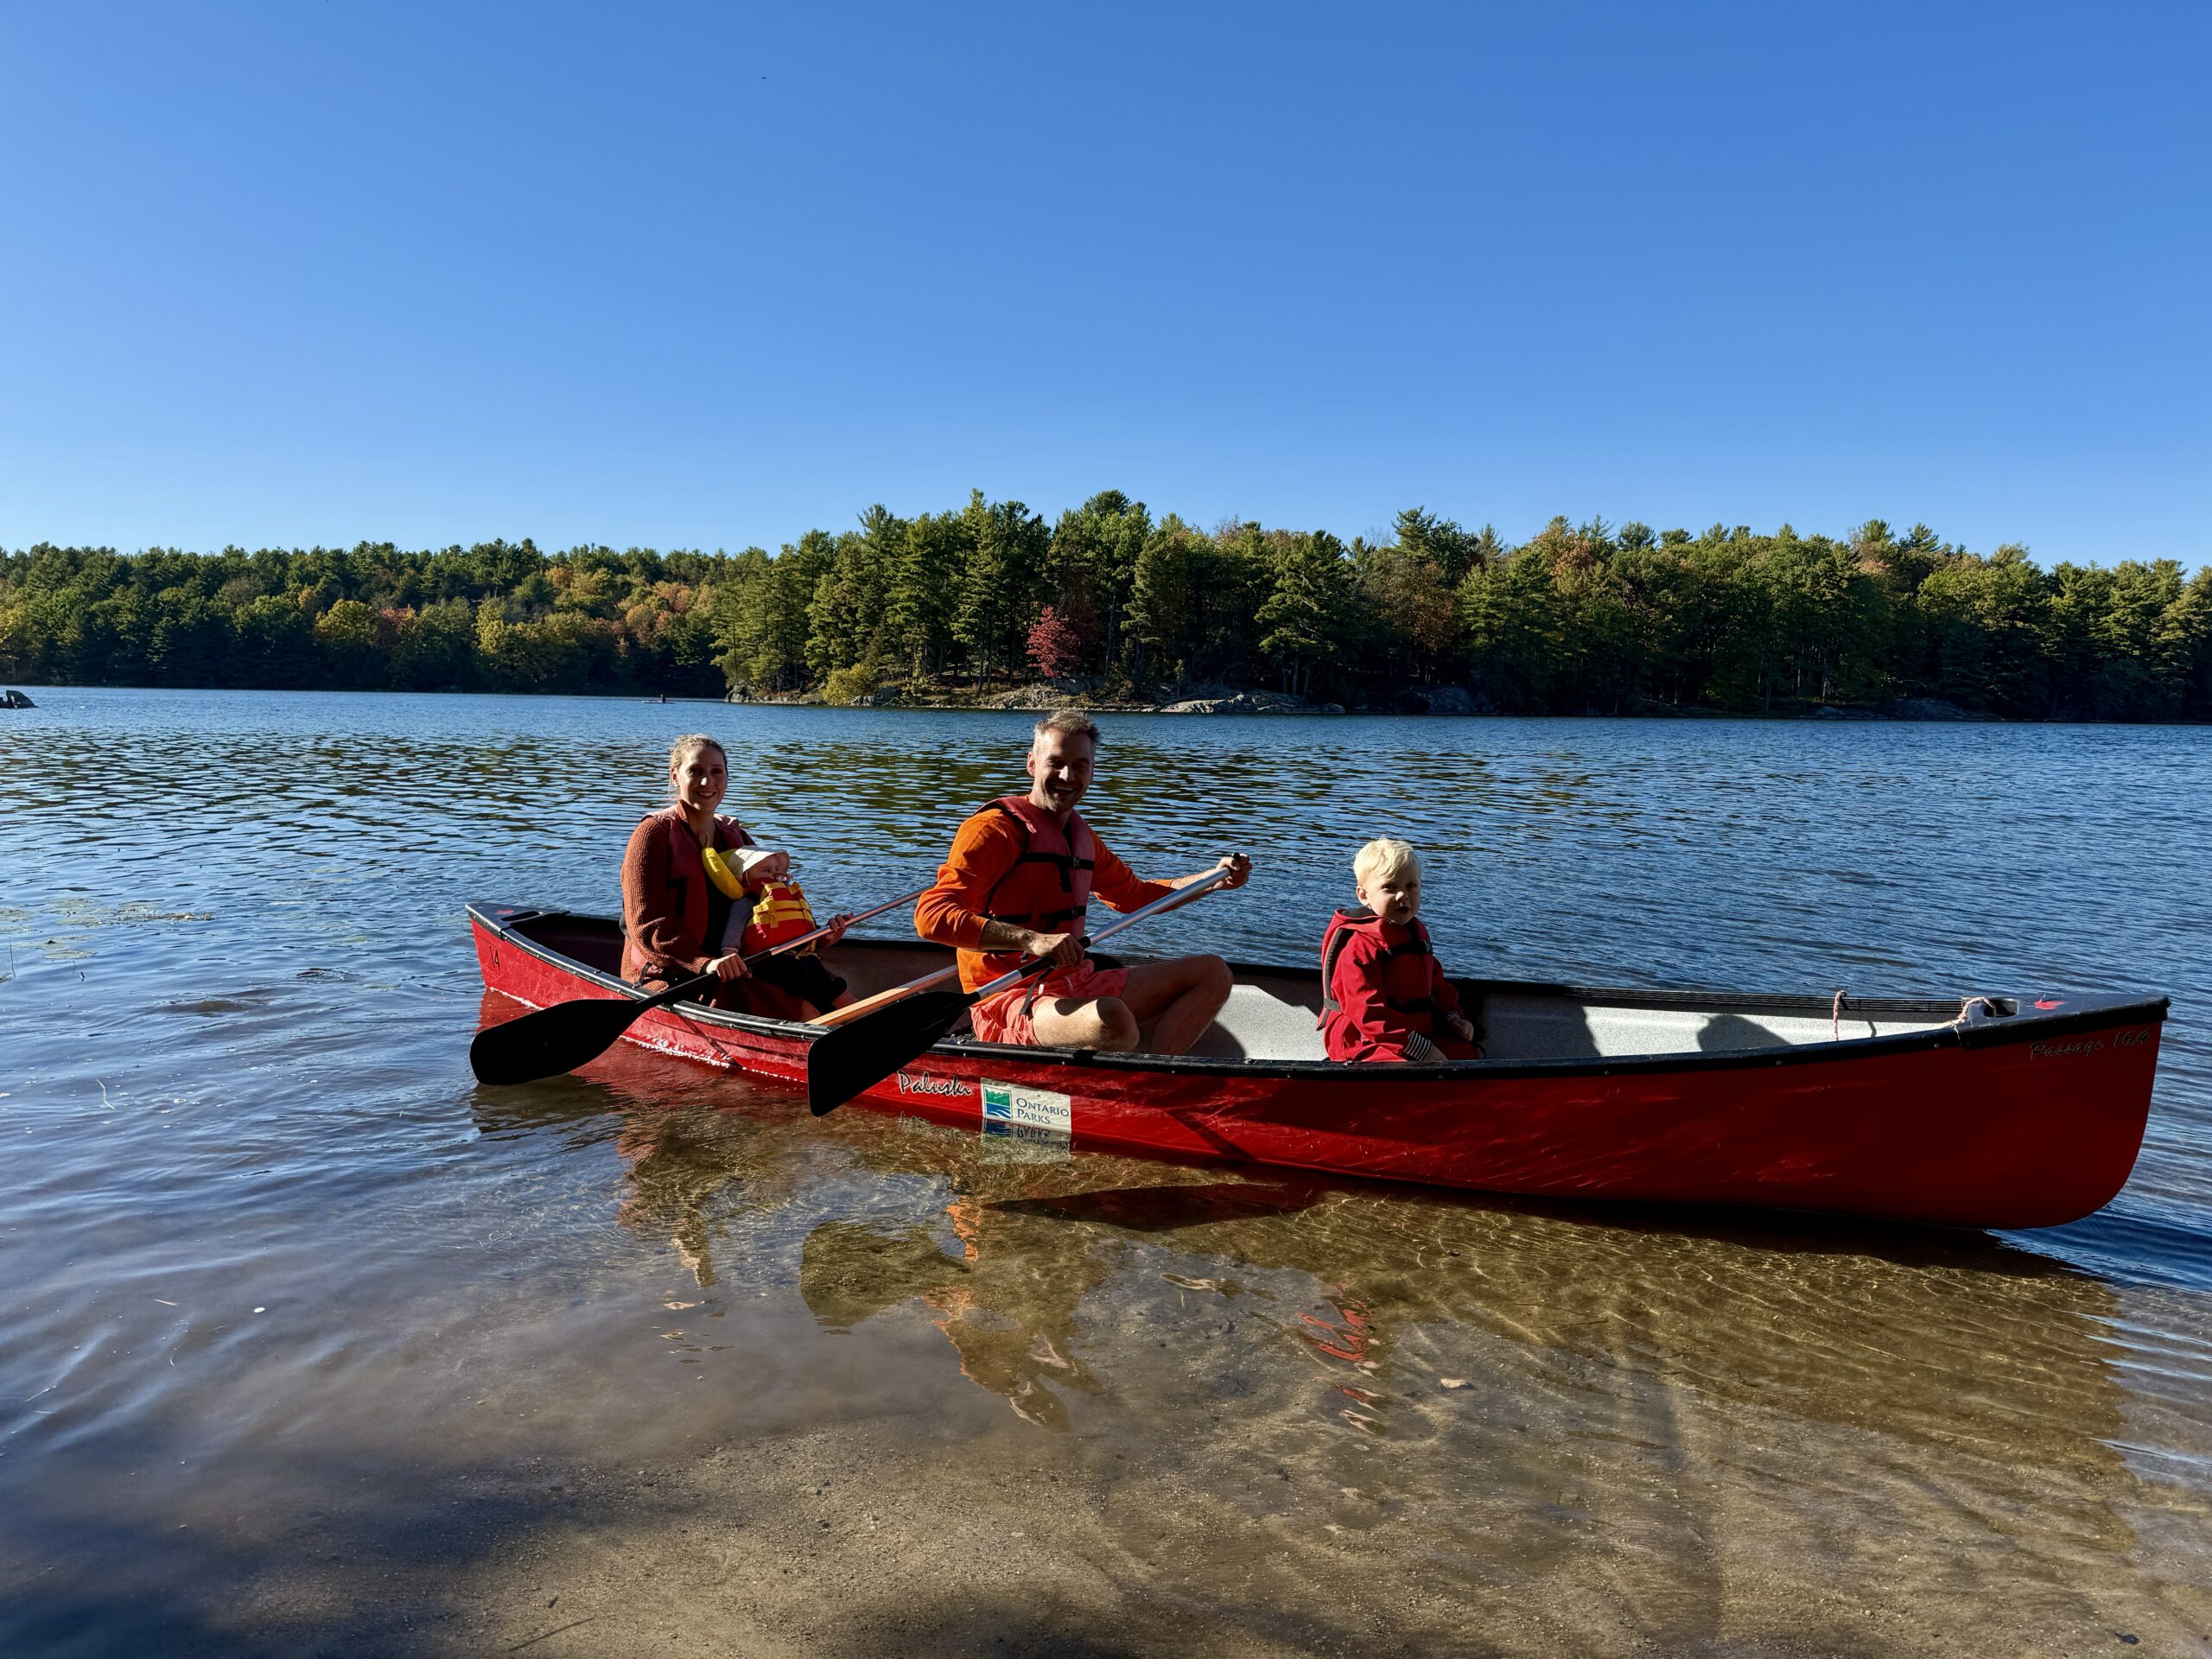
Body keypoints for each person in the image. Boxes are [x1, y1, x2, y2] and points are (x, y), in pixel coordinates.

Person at [913, 711, 1253, 1052]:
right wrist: (1032, 940)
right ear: (1032, 764)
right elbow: (930, 916)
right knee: (1111, 1017)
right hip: (1009, 998)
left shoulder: (1082, 836)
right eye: (1055, 762)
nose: (1067, 775)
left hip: (1077, 981)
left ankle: (1159, 1079)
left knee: (1213, 972)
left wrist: (1212, 880)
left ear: (1092, 770)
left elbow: (1135, 895)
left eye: (1079, 765)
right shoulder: (994, 830)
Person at [620, 734, 853, 1017]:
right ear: (675, 776)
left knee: (834, 994)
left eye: (717, 771)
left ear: (727, 777)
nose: (708, 782)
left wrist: (817, 936)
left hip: (736, 960)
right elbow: (647, 923)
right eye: (695, 771)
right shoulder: (652, 835)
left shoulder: (735, 837)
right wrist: (704, 963)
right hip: (674, 968)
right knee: (804, 1012)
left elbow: (765, 902)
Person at [1318, 838, 1480, 1063]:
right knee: (1414, 1066)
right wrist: (1422, 1050)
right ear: (1364, 895)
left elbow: (1437, 987)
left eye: (1410, 886)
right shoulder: (1359, 945)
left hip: (1408, 1033)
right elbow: (1368, 1014)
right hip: (1360, 1040)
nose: (1402, 895)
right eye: (1390, 887)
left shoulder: (1413, 933)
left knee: (1468, 1054)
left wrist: (1451, 1018)